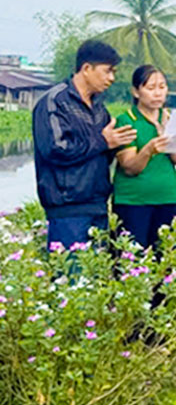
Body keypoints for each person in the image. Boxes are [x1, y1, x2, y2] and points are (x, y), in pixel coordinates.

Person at [33, 39, 137, 252]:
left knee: (95, 277)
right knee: (71, 278)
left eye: (114, 72)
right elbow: (55, 149)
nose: (111, 78)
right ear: (86, 68)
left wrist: (116, 145)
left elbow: (102, 153)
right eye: (107, 71)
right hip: (67, 207)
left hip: (98, 204)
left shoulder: (99, 108)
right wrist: (103, 141)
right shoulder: (55, 102)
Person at [112, 65, 176, 249]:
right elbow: (130, 167)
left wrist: (169, 139)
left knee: (165, 260)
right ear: (136, 92)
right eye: (150, 88)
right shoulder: (127, 120)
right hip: (134, 202)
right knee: (132, 260)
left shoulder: (170, 118)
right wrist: (148, 149)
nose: (157, 94)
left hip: (168, 198)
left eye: (162, 87)